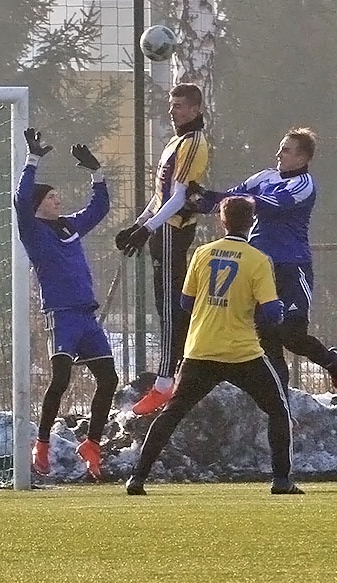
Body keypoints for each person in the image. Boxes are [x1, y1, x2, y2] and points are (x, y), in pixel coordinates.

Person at [126, 196, 302, 496]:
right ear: (252, 222)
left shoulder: (202, 254)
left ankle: (137, 478)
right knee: (278, 409)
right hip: (242, 353)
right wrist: (277, 308)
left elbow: (185, 302)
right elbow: (272, 314)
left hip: (200, 350)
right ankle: (281, 480)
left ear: (222, 221)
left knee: (172, 412)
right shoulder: (257, 259)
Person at [187, 127, 337, 397]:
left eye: (286, 149)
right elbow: (230, 199)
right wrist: (199, 198)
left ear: (302, 158)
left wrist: (226, 201)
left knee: (292, 336)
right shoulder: (264, 177)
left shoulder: (304, 184)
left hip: (291, 268)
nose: (278, 153)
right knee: (267, 340)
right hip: (259, 269)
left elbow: (267, 204)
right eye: (280, 147)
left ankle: (330, 361)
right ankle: (280, 404)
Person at [14, 128, 118, 479]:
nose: (58, 200)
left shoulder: (71, 226)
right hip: (61, 315)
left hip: (87, 316)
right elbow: (19, 199)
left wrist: (96, 172)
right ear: (38, 205)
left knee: (109, 379)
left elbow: (100, 207)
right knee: (60, 378)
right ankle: (41, 444)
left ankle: (91, 442)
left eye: (58, 196)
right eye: (51, 197)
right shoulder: (33, 231)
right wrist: (33, 159)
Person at [116, 82, 210, 416]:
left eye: (180, 106)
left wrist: (149, 228)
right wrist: (138, 223)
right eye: (172, 105)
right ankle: (182, 373)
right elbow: (161, 194)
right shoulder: (176, 140)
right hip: (160, 231)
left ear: (196, 110)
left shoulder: (196, 143)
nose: (173, 111)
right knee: (165, 306)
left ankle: (165, 383)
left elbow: (180, 196)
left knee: (171, 307)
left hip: (173, 232)